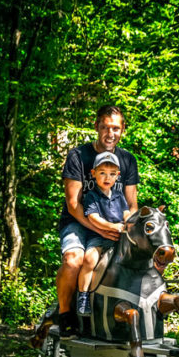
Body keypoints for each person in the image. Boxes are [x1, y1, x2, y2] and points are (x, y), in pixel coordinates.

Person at [56, 105, 139, 338]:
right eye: (105, 127)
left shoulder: (127, 160)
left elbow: (132, 204)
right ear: (96, 127)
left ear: (122, 129)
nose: (110, 133)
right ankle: (66, 316)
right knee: (74, 260)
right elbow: (73, 205)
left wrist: (127, 227)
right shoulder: (78, 156)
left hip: (114, 225)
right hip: (79, 221)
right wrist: (101, 228)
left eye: (116, 128)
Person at [77, 151, 130, 316]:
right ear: (93, 174)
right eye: (102, 173)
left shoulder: (119, 195)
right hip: (98, 237)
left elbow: (126, 213)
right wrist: (112, 226)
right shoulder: (92, 196)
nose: (107, 178)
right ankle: (83, 296)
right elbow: (93, 218)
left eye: (112, 174)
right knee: (89, 260)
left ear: (117, 176)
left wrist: (129, 223)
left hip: (118, 237)